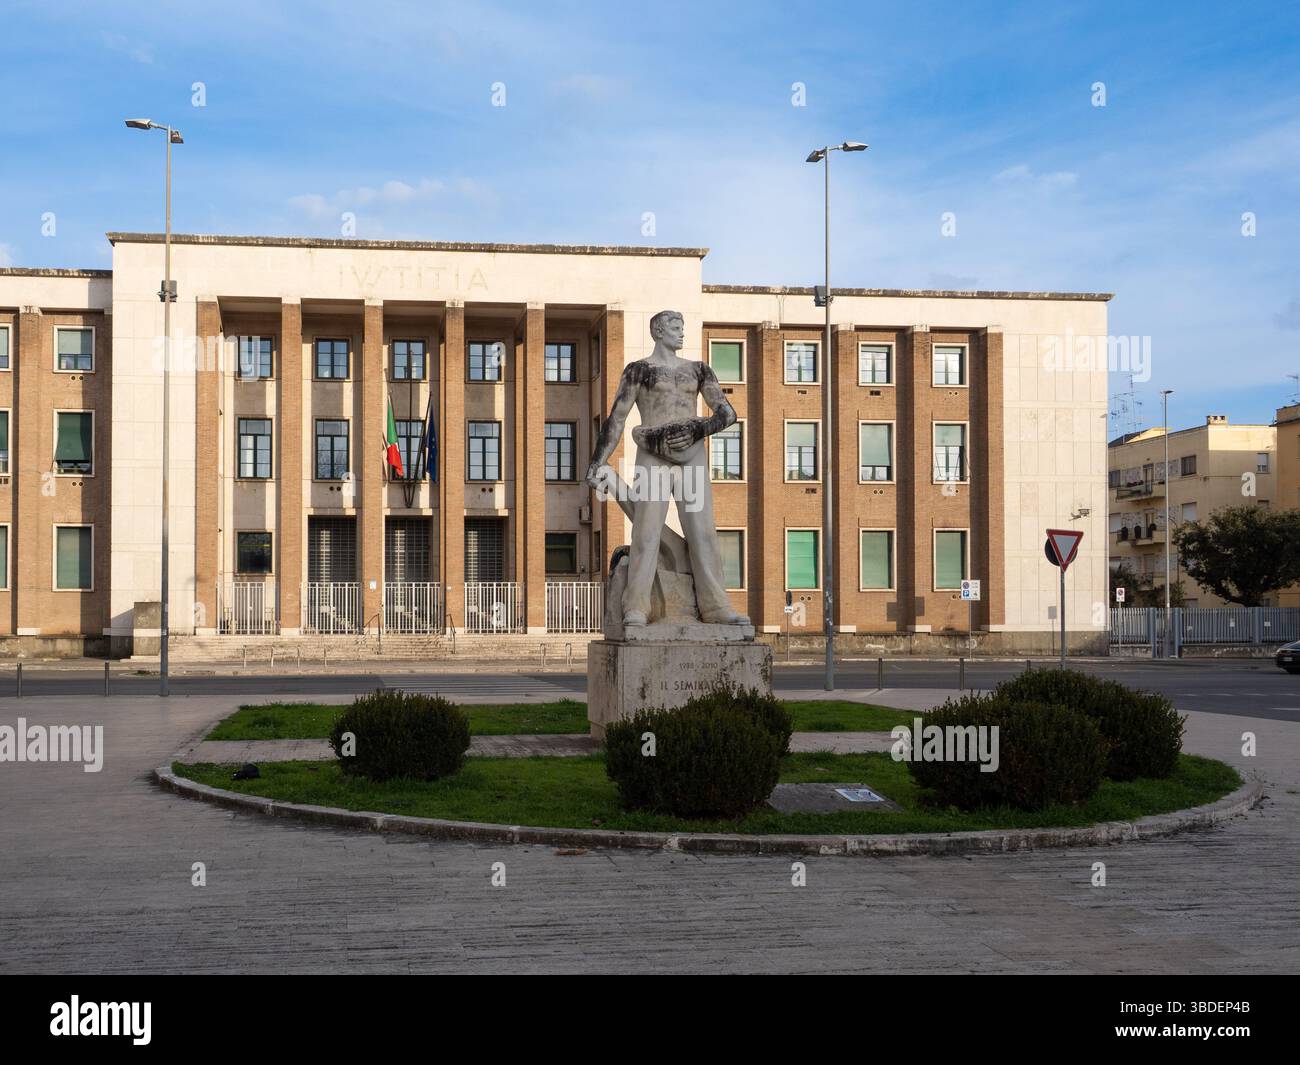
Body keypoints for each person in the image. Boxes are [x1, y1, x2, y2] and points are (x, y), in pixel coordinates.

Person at [585, 310, 750, 629]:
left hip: (692, 458)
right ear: (658, 331)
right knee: (646, 533)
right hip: (653, 456)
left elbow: (727, 413)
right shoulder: (639, 371)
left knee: (703, 533)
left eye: (682, 328)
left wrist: (699, 429)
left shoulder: (699, 370)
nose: (681, 333)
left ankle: (716, 606)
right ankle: (636, 607)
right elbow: (617, 418)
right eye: (675, 327)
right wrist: (597, 462)